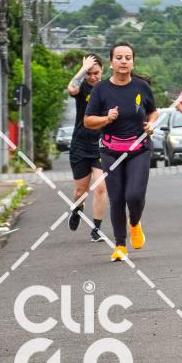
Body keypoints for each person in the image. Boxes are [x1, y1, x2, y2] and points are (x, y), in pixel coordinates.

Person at [84, 42, 158, 262]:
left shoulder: (141, 86)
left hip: (139, 149)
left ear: (133, 62)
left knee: (134, 195)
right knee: (116, 198)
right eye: (119, 57)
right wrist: (106, 118)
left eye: (128, 57)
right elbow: (88, 121)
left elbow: (153, 111)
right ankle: (120, 245)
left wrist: (151, 124)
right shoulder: (101, 89)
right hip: (110, 150)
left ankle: (134, 222)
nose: (123, 61)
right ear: (111, 63)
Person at [66, 54, 108, 241]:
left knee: (100, 187)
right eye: (89, 73)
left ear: (102, 71)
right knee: (80, 192)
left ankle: (96, 229)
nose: (92, 77)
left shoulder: (108, 88)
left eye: (96, 73)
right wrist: (83, 69)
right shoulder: (81, 87)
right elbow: (71, 88)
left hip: (101, 144)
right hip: (80, 144)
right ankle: (77, 209)